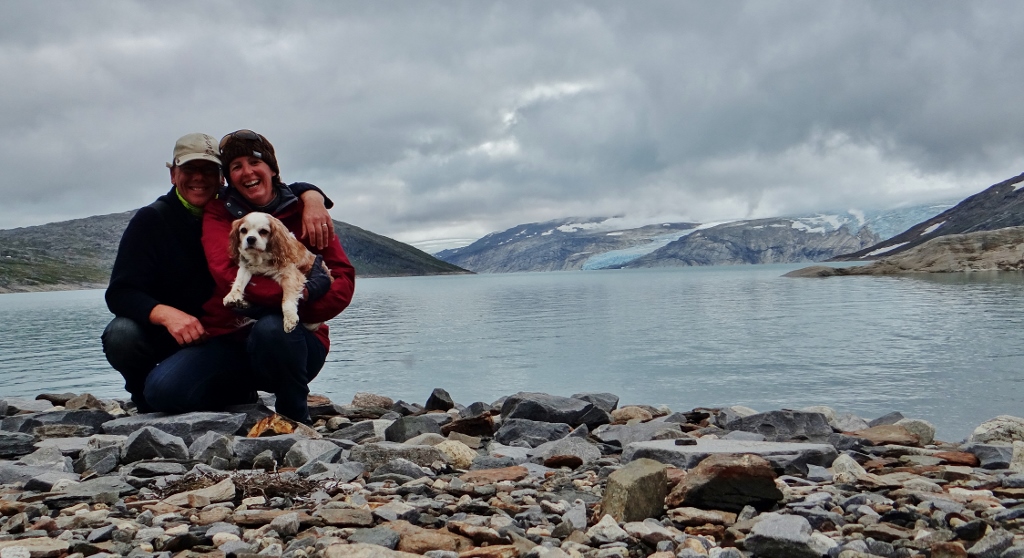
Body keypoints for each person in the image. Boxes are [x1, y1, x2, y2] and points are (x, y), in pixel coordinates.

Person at [102, 133, 336, 412]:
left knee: (271, 329)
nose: (199, 178)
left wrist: (313, 196)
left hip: (238, 333)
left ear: (222, 178)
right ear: (173, 175)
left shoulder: (237, 210)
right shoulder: (151, 220)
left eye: (209, 170)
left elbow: (277, 188)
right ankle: (145, 401)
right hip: (184, 336)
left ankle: (273, 405)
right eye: (189, 169)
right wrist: (167, 315)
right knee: (122, 335)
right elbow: (120, 293)